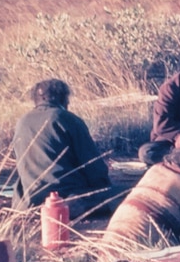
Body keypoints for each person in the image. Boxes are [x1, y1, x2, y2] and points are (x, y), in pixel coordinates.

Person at [12, 79, 120, 219]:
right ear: (62, 98)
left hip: (26, 203)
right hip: (66, 202)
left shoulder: (22, 121)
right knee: (129, 193)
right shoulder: (66, 119)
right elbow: (94, 167)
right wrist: (104, 189)